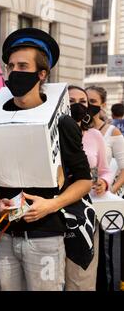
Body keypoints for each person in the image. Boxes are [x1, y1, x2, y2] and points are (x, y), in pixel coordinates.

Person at [0, 28, 92, 291]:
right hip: (6, 234)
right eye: (10, 66)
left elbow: (83, 181)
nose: (15, 72)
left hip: (46, 234)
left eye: (23, 65)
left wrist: (51, 205)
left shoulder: (63, 123)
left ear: (41, 74)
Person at [65, 85, 114, 290]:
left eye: (82, 102)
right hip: (53, 216)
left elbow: (106, 169)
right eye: (71, 101)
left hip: (86, 214)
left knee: (81, 279)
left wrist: (104, 182)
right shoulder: (50, 135)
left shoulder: (94, 135)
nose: (77, 105)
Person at [86, 86, 124, 291]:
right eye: (85, 100)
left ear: (102, 105)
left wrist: (110, 189)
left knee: (104, 257)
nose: (88, 105)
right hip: (77, 204)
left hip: (103, 203)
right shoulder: (73, 128)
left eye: (93, 101)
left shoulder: (112, 131)